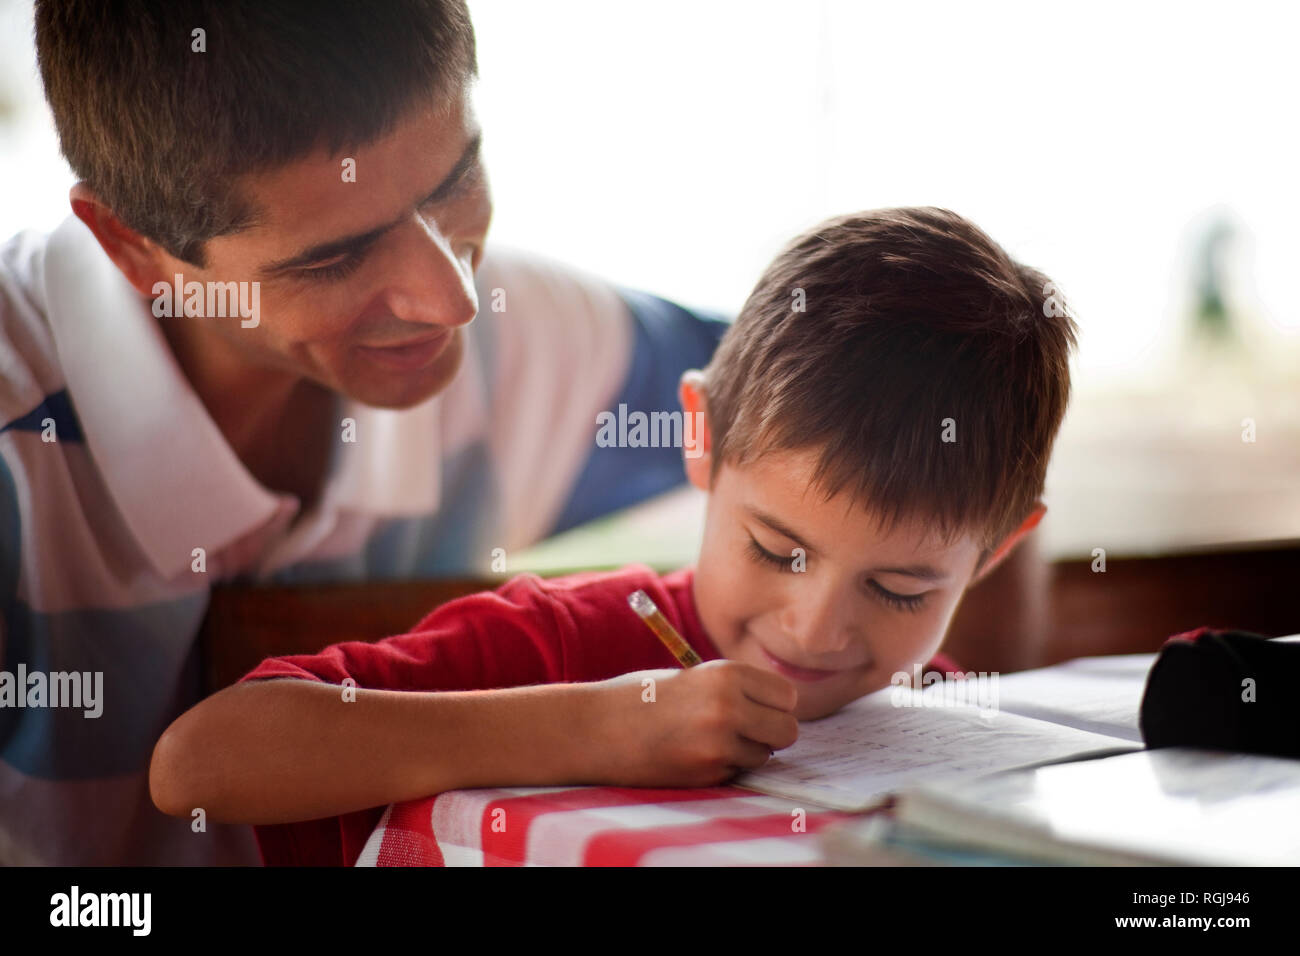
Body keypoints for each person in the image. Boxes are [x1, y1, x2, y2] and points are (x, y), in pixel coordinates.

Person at [0, 1, 726, 865]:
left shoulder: (525, 342)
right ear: (135, 247)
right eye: (334, 260)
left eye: (456, 179)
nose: (451, 300)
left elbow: (824, 379)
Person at [150, 207, 1079, 865]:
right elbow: (201, 763)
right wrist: (597, 724)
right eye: (775, 549)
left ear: (995, 552)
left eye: (900, 590)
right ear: (701, 438)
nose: (816, 629)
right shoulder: (561, 644)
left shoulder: (945, 725)